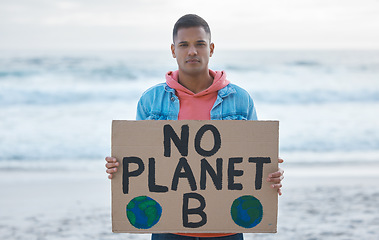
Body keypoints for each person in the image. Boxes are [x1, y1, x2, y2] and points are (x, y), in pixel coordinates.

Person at [105, 14, 284, 240]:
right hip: (169, 228)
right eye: (184, 45)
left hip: (225, 228)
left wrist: (270, 173)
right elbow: (142, 162)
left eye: (200, 44)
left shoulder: (240, 99)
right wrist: (119, 166)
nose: (192, 51)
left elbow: (253, 162)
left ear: (211, 49)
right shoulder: (151, 101)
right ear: (173, 50)